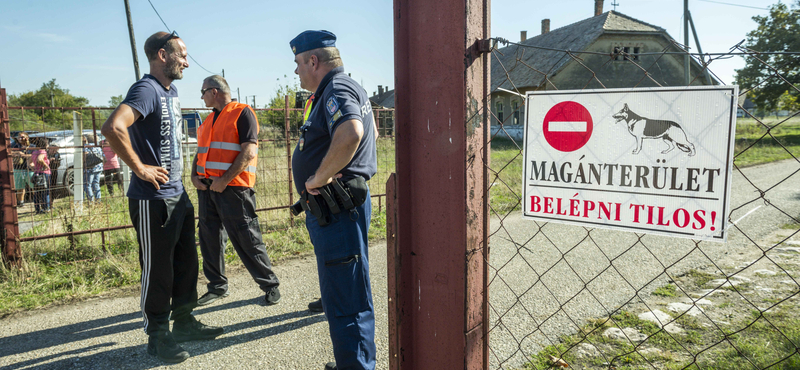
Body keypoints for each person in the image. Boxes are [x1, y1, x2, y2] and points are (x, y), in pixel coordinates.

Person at [101, 30, 222, 364]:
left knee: (186, 265)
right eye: (181, 54)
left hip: (177, 196)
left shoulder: (172, 90)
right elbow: (113, 127)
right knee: (158, 271)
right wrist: (140, 168)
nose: (186, 60)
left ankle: (183, 323)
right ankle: (157, 336)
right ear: (161, 55)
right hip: (151, 199)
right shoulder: (146, 89)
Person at [290, 30, 378, 370]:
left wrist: (319, 177)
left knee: (346, 297)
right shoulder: (334, 90)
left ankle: (356, 367)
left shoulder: (337, 89)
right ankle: (352, 363)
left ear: (314, 60)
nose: (296, 71)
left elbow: (351, 132)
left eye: (298, 63)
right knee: (342, 291)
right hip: (334, 210)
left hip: (338, 209)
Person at [191, 74, 281, 306]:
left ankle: (270, 285)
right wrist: (194, 176)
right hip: (207, 189)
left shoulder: (242, 113)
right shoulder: (208, 120)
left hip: (234, 189)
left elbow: (249, 152)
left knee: (247, 237)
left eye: (203, 92)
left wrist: (224, 180)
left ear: (214, 91)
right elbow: (200, 152)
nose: (201, 96)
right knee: (209, 238)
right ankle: (217, 287)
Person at [29, 137, 51, 214]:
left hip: (36, 174)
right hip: (44, 174)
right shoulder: (43, 152)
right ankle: (46, 208)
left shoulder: (34, 152)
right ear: (45, 144)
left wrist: (34, 168)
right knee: (46, 191)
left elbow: (30, 162)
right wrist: (46, 165)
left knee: (37, 192)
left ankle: (37, 209)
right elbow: (39, 159)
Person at [11, 133, 33, 207]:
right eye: (19, 137)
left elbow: (34, 155)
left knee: (33, 186)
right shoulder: (14, 146)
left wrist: (23, 155)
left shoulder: (32, 146)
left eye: (22, 137)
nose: (20, 139)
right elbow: (9, 153)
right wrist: (17, 153)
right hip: (17, 169)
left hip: (29, 169)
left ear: (27, 137)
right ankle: (21, 203)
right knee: (19, 187)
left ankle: (37, 200)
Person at [83, 134, 103, 202]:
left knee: (87, 185)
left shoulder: (86, 147)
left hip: (90, 168)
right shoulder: (97, 146)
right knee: (96, 183)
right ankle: (98, 199)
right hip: (99, 167)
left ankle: (91, 200)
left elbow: (85, 155)